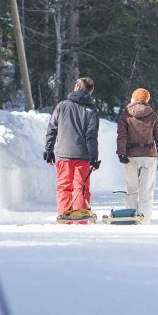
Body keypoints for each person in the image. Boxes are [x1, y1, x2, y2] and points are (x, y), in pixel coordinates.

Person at [44, 77, 101, 215]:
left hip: (63, 155)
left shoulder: (62, 106)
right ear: (90, 92)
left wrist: (49, 150)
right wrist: (94, 157)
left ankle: (64, 216)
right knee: (80, 188)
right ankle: (80, 218)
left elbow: (52, 128)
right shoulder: (91, 111)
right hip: (83, 157)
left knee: (64, 187)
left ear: (76, 87)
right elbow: (91, 136)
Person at [116, 88, 158, 223]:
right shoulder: (153, 115)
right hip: (149, 157)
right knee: (146, 192)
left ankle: (131, 219)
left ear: (133, 98)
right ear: (146, 100)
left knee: (132, 191)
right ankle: (144, 222)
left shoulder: (125, 114)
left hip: (130, 157)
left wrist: (121, 153)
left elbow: (122, 136)